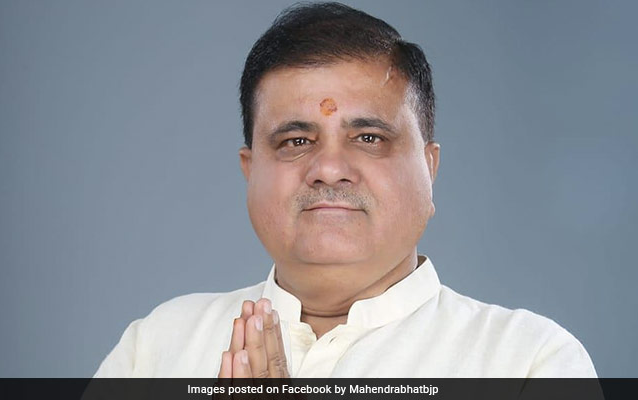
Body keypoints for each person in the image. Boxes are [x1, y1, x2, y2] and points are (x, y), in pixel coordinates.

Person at [94, 2, 596, 378]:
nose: (329, 169)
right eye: (296, 141)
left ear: (429, 167)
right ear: (251, 170)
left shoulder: (528, 361)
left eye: (369, 138)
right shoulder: (158, 348)